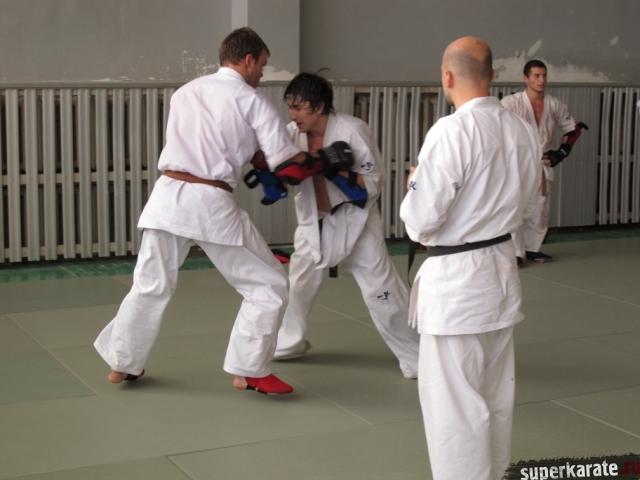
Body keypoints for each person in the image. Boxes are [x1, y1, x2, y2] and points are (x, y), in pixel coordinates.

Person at [94, 28, 341, 395]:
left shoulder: (185, 92)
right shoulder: (252, 101)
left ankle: (123, 362)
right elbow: (287, 166)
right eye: (262, 65)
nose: (262, 73)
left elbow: (225, 143)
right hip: (208, 202)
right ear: (248, 59)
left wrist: (258, 159)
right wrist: (324, 160)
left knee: (150, 285)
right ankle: (249, 370)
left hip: (167, 196)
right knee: (269, 285)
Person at [399, 38, 541, 479]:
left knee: (455, 412)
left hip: (457, 287)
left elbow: (420, 221)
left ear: (447, 76)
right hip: (500, 272)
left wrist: (414, 183)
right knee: (495, 401)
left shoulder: (451, 131)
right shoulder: (523, 130)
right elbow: (529, 205)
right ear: (492, 75)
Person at [272, 72, 420, 379]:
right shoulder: (291, 133)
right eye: (290, 107)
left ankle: (417, 357)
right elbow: (282, 179)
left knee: (382, 292)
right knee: (298, 285)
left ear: (319, 106)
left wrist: (329, 168)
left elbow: (371, 185)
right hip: (313, 224)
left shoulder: (353, 131)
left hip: (357, 223)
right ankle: (289, 342)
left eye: (299, 107)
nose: (293, 115)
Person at [501, 59, 584, 265]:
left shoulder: (555, 104)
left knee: (540, 207)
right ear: (526, 78)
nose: (541, 80)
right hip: (518, 161)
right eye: (536, 75)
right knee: (516, 205)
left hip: (543, 161)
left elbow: (571, 129)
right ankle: (515, 252)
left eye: (544, 75)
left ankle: (533, 248)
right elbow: (495, 126)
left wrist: (562, 151)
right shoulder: (511, 103)